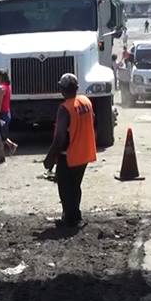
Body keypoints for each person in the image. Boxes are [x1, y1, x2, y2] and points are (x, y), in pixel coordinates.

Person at [44, 73, 97, 228]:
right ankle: (75, 215)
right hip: (85, 153)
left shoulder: (65, 108)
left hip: (70, 155)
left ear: (61, 89)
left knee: (65, 187)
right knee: (75, 185)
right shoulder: (86, 102)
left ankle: (71, 218)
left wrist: (50, 158)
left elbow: (60, 137)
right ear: (77, 88)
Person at [0, 69, 18, 159]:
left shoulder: (1, 88)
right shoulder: (7, 86)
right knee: (2, 135)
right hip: (6, 113)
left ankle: (1, 156)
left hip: (1, 114)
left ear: (0, 77)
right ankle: (11, 146)